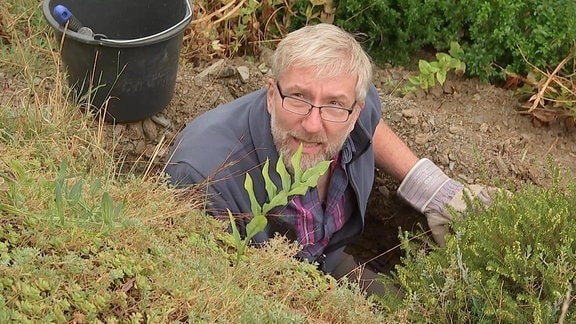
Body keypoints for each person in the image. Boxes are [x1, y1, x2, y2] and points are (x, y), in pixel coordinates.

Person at [165, 23, 494, 295]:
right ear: (270, 95)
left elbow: (370, 125)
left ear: (354, 112)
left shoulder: (353, 106)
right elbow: (217, 293)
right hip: (261, 290)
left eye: (335, 105)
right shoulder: (204, 174)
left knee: (412, 308)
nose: (311, 124)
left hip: (329, 259)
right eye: (298, 97)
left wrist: (431, 188)